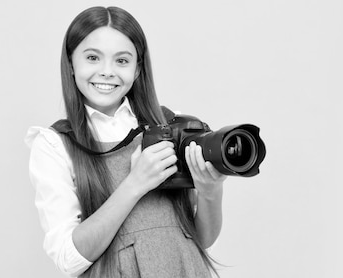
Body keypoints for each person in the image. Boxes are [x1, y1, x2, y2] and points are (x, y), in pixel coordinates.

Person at [25, 6, 225, 278]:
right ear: (71, 62)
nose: (107, 72)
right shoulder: (54, 144)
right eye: (93, 57)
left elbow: (201, 239)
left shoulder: (169, 124)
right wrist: (135, 183)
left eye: (122, 61)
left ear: (138, 68)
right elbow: (68, 259)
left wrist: (210, 191)